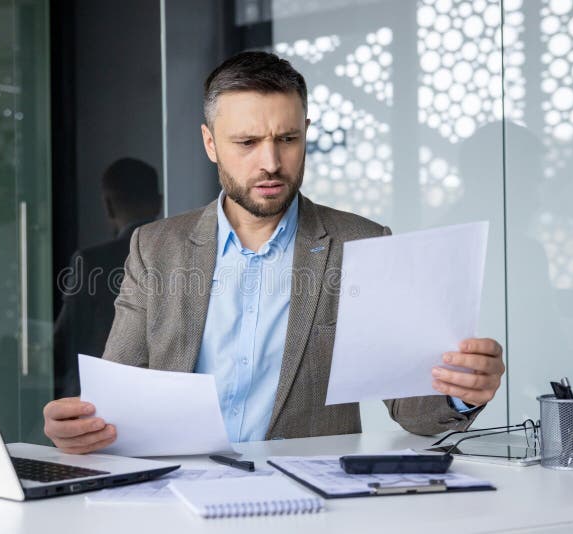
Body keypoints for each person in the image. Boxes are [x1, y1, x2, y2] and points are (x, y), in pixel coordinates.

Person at [43, 51, 505, 454]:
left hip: (310, 505)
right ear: (210, 144)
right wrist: (81, 427)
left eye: (287, 139)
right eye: (246, 143)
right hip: (178, 498)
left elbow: (412, 409)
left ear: (306, 133)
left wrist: (461, 392)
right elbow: (117, 398)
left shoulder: (361, 243)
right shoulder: (154, 248)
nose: (270, 162)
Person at [53, 158, 162, 398]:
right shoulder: (185, 258)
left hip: (95, 395)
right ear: (159, 203)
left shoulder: (91, 262)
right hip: (160, 395)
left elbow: (66, 337)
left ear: (108, 205)